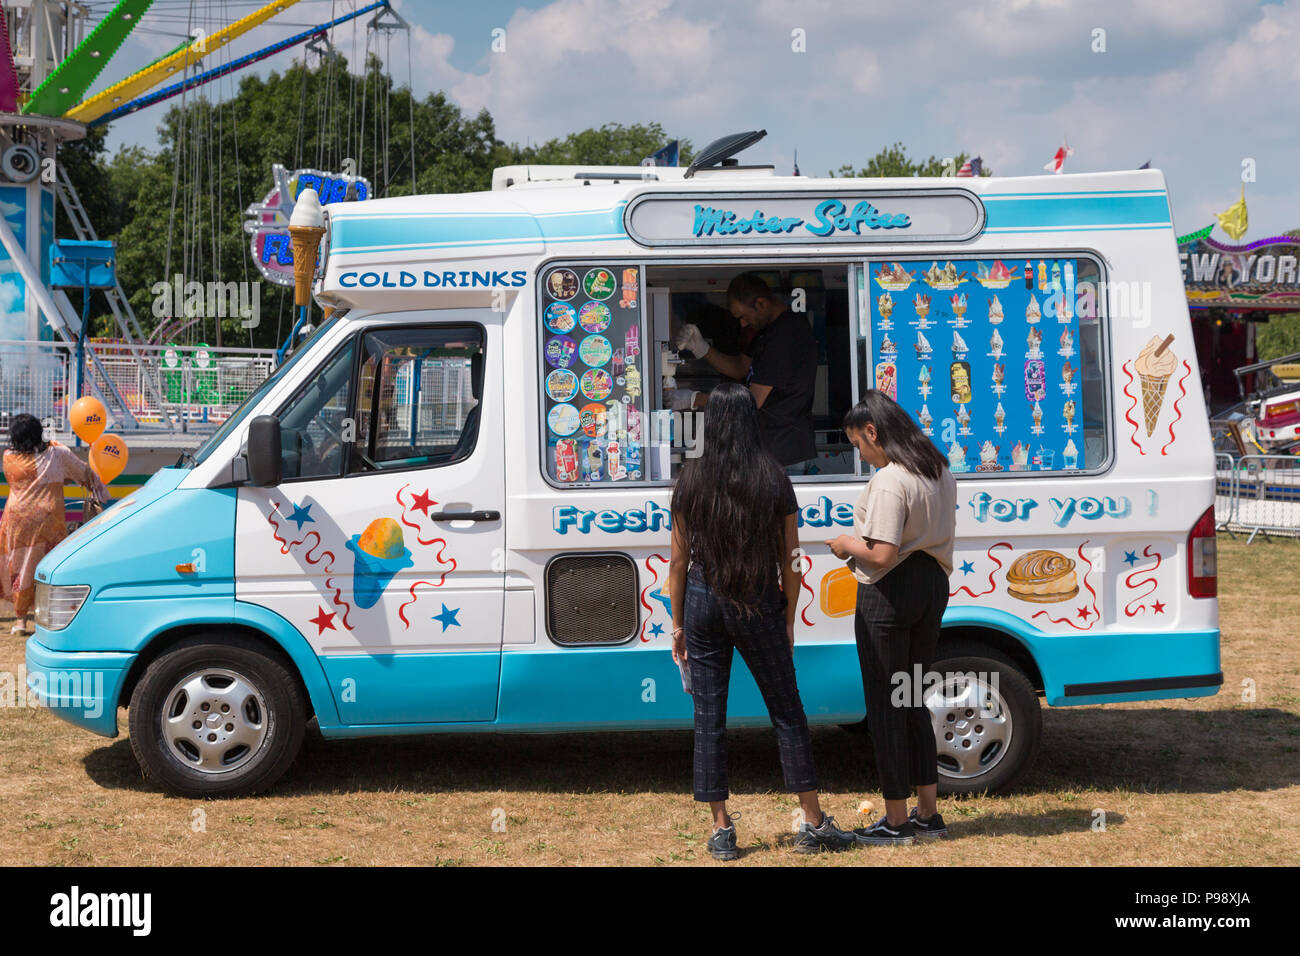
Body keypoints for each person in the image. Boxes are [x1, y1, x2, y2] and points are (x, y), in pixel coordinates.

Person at [667, 382, 855, 859]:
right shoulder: (771, 477)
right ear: (751, 421)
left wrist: (678, 625)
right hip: (758, 602)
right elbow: (791, 557)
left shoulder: (691, 478)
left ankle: (721, 829)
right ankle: (812, 821)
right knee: (787, 711)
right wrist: (789, 617)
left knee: (708, 716)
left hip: (704, 602)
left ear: (713, 424)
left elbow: (676, 560)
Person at [826, 390, 957, 845]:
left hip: (890, 594)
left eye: (858, 446)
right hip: (932, 586)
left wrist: (845, 545)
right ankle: (928, 813)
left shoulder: (889, 479)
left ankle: (896, 820)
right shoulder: (938, 468)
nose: (860, 455)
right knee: (913, 698)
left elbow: (881, 553)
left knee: (886, 705)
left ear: (873, 432)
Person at [672, 273, 818, 475]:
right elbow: (740, 367)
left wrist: (696, 399)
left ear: (761, 303)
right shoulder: (766, 331)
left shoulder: (784, 335)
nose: (742, 324)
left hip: (784, 453)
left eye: (743, 316)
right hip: (770, 450)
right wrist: (701, 348)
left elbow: (751, 401)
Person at [0, 414, 107, 634]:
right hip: (48, 519)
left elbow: (30, 477)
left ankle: (20, 620)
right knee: (51, 565)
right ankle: (54, 614)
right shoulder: (57, 453)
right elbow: (82, 472)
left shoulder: (8, 456)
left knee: (19, 567)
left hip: (16, 518)